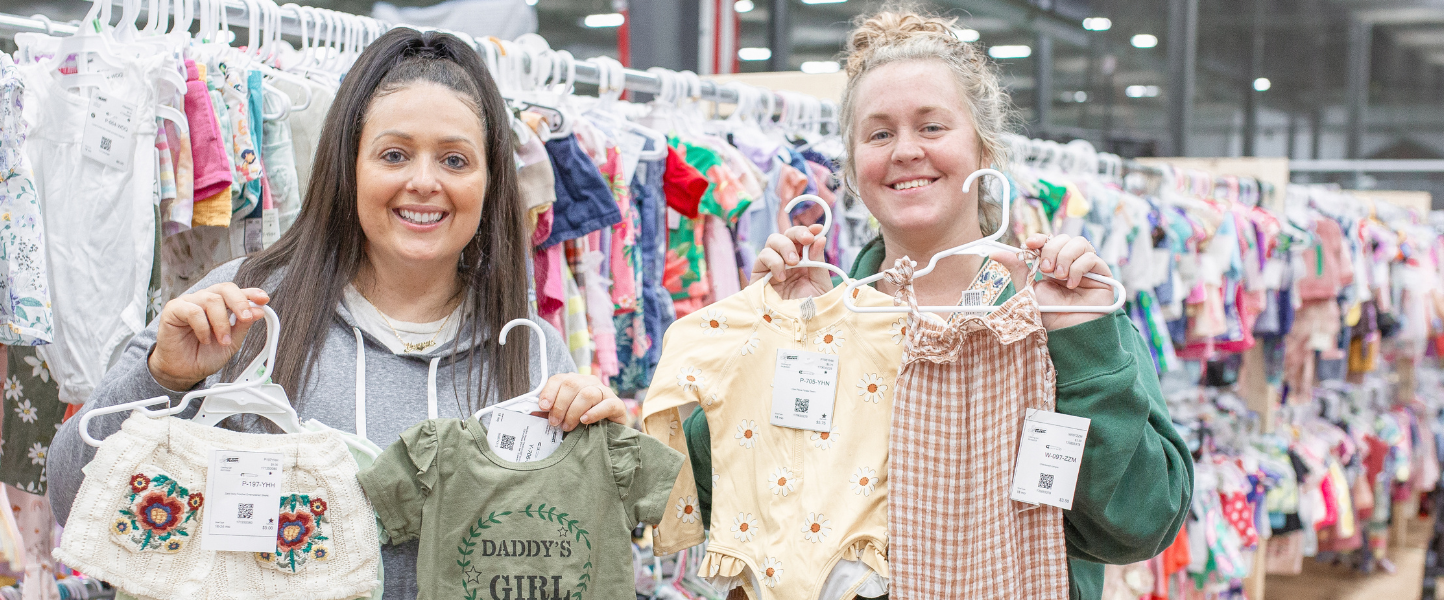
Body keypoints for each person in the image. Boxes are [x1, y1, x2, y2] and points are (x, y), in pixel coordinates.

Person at [48, 29, 627, 599]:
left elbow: (571, 556)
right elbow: (74, 498)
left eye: (455, 159)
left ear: (491, 180)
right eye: (394, 155)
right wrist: (164, 377)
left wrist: (604, 463)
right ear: (348, 167)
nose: (423, 182)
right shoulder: (243, 306)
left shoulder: (529, 349)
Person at [682, 9, 1194, 599]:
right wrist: (773, 345)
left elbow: (1138, 526)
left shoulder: (1056, 313)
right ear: (851, 169)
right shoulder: (820, 314)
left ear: (984, 150)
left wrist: (1080, 346)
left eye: (932, 128)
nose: (905, 152)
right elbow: (706, 494)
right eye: (878, 134)